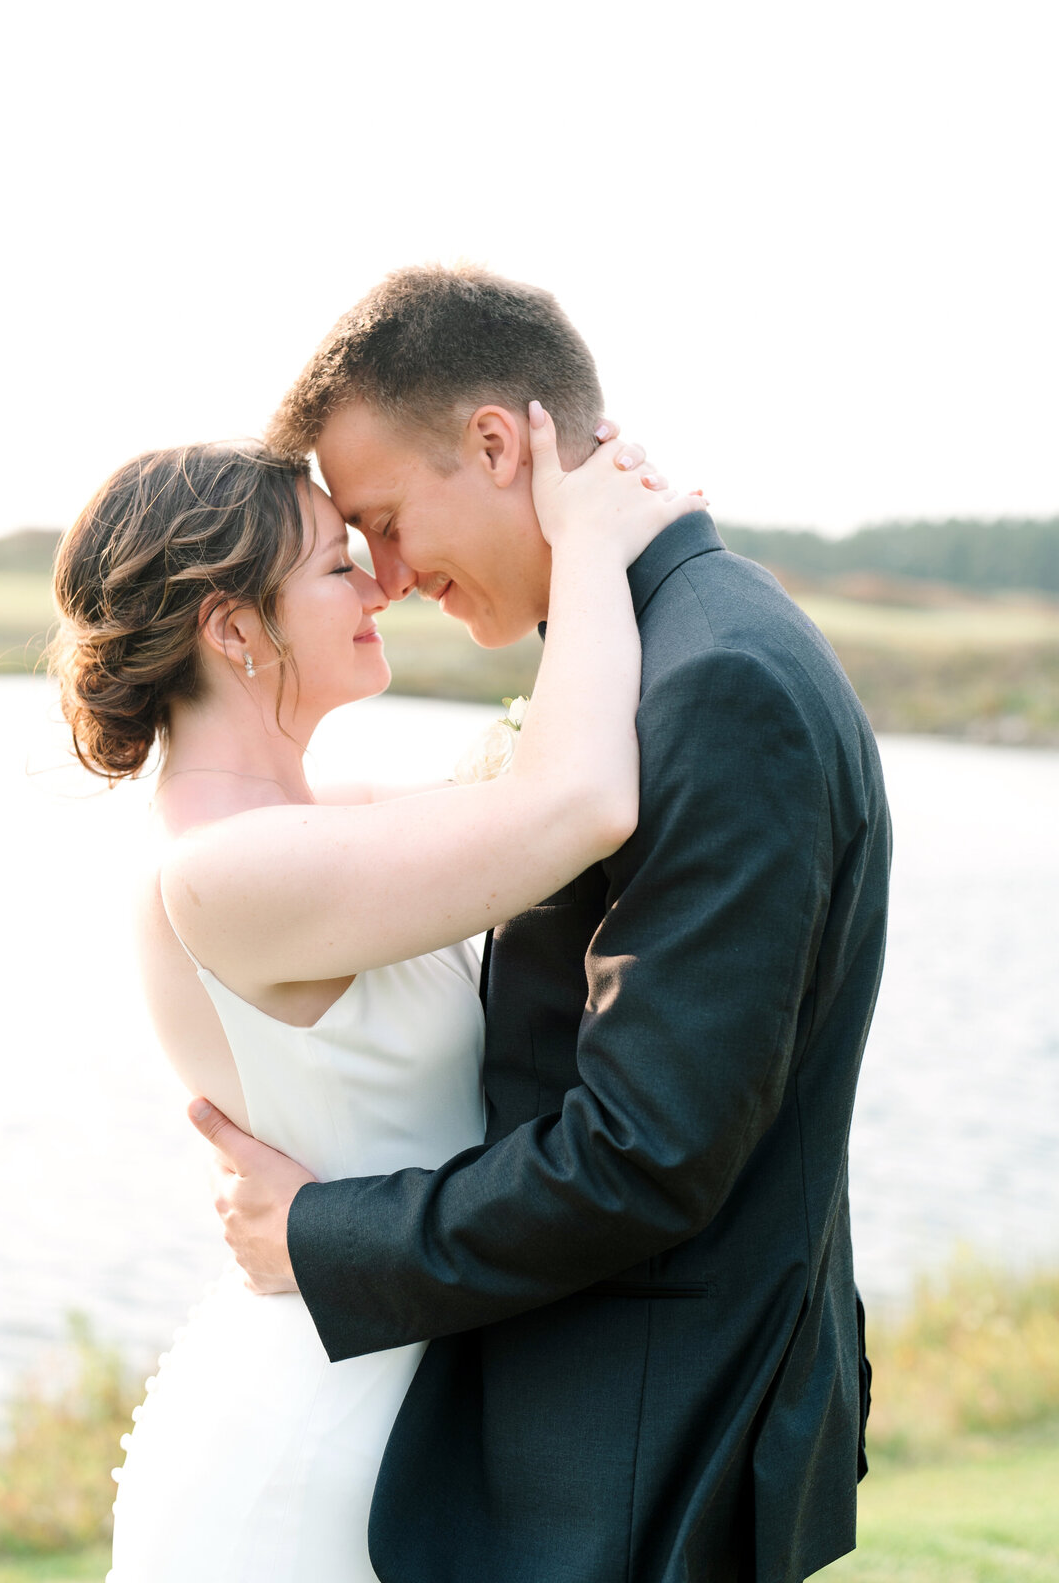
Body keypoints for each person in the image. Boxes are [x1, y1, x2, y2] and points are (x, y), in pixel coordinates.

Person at [188, 264, 892, 1583]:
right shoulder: (667, 646)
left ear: (500, 445)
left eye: (385, 521)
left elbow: (645, 1151)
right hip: (603, 1422)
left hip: (640, 1443)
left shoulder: (714, 681)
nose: (385, 577)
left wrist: (320, 1235)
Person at [49, 411, 698, 1582]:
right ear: (233, 626)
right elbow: (580, 805)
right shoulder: (221, 873)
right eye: (339, 565)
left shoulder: (320, 824)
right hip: (316, 1448)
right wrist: (589, 547)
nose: (379, 584)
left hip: (409, 1400)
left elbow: (554, 786)